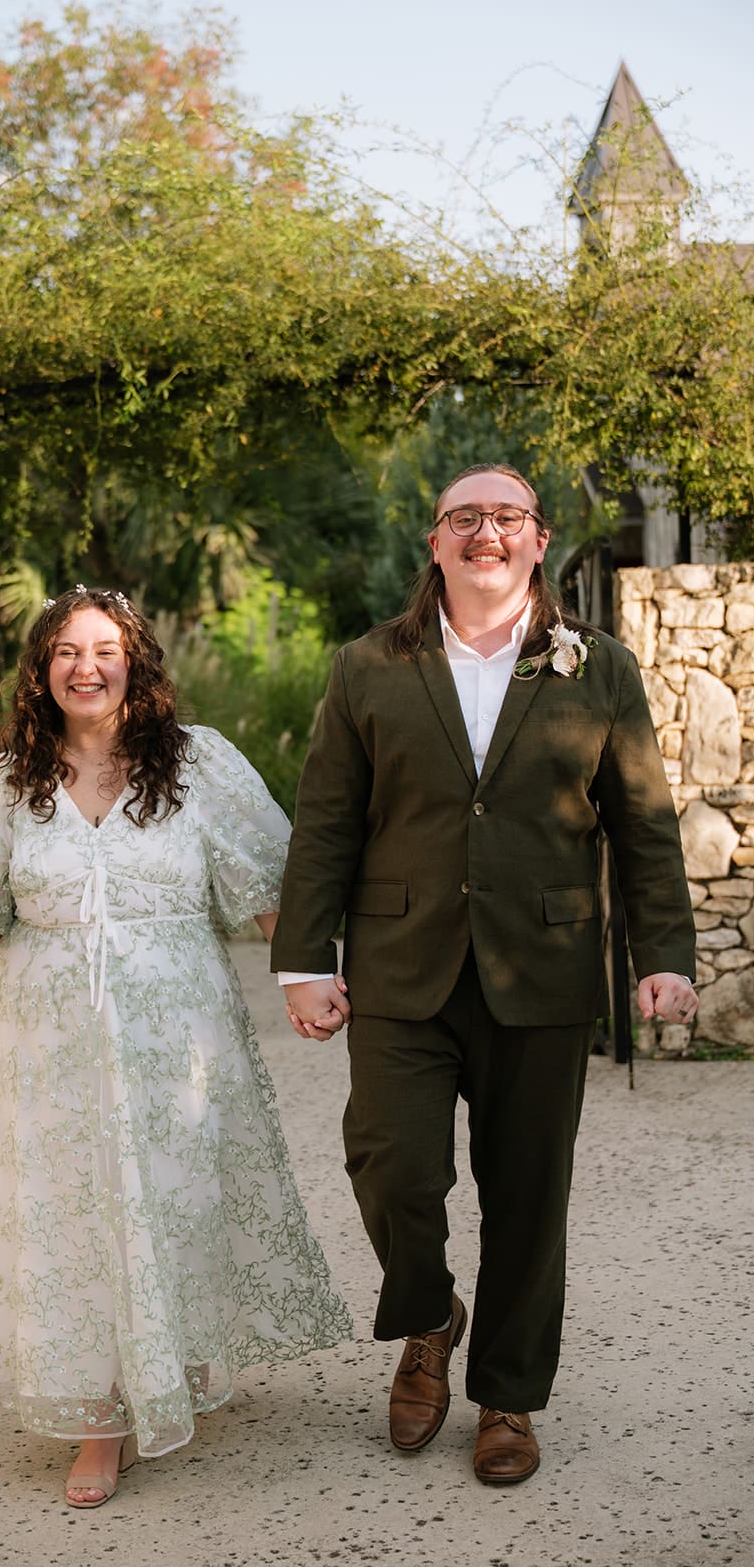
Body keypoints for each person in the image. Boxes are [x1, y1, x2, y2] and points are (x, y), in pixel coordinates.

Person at [271, 463, 697, 1485]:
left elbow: (642, 822)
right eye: (465, 518)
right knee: (392, 1165)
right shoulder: (369, 666)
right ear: (435, 541)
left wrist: (664, 957)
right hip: (399, 966)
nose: (486, 533)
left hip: (544, 967)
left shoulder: (598, 667)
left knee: (528, 1194)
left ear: (539, 539)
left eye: (506, 517)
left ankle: (508, 1394)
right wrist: (302, 960)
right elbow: (329, 819)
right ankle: (427, 1315)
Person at [0, 586, 351, 1509]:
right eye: (65, 651)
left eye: (102, 649)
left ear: (134, 662)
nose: (85, 667)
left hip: (176, 1035)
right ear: (41, 671)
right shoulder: (2, 781)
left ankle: (157, 1367)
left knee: (166, 1199)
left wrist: (311, 975)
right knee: (70, 1211)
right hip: (45, 1039)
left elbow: (273, 886)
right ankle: (98, 1419)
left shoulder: (197, 766)